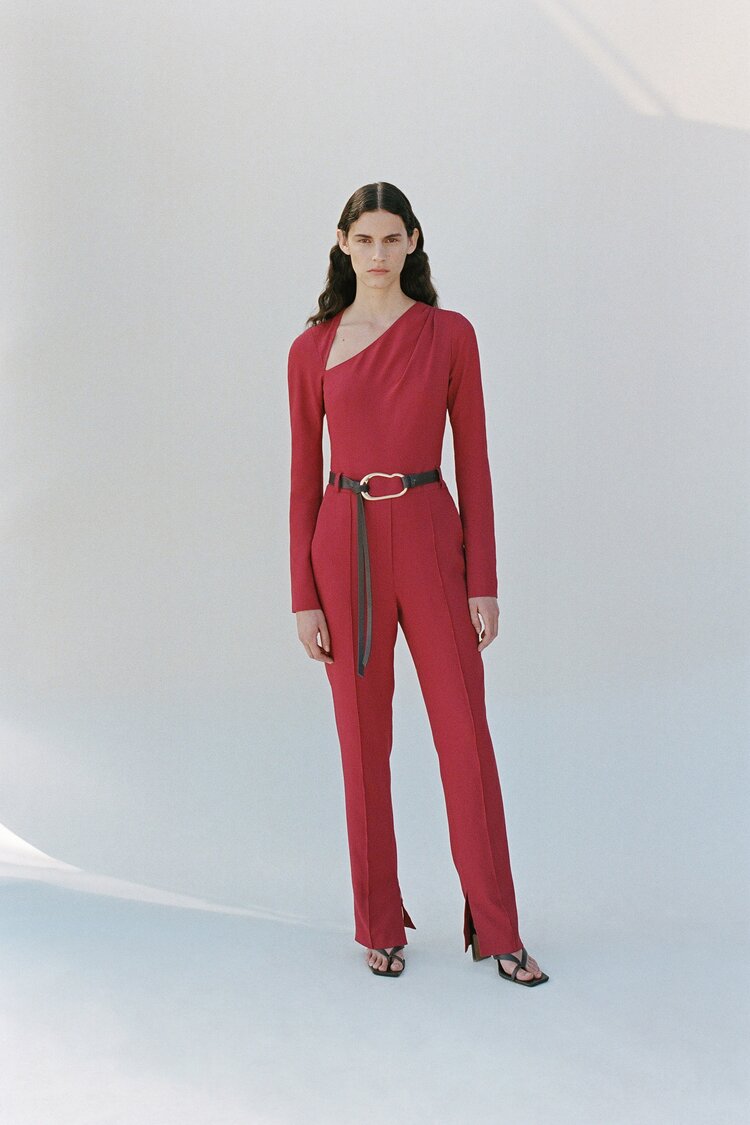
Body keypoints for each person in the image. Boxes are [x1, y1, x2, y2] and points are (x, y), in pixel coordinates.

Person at [287, 182, 548, 986]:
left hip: (433, 532)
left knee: (465, 736)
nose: (376, 252)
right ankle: (377, 922)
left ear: (412, 242)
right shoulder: (312, 349)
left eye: (390, 238)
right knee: (362, 743)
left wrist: (484, 580)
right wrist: (303, 592)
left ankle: (498, 928)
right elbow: (302, 475)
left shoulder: (449, 335)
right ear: (341, 242)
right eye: (362, 238)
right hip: (344, 543)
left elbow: (477, 460)